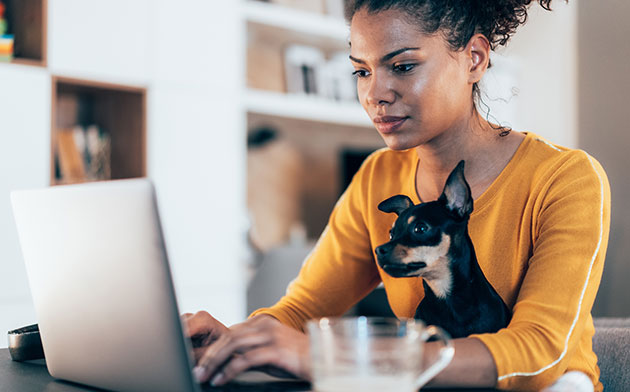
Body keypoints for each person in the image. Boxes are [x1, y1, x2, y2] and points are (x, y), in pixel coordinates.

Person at [185, 0, 610, 390]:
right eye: (362, 71)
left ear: (474, 59)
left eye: (403, 66)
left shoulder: (566, 178)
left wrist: (338, 358)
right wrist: (236, 343)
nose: (375, 94)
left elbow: (540, 354)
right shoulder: (377, 177)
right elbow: (302, 312)